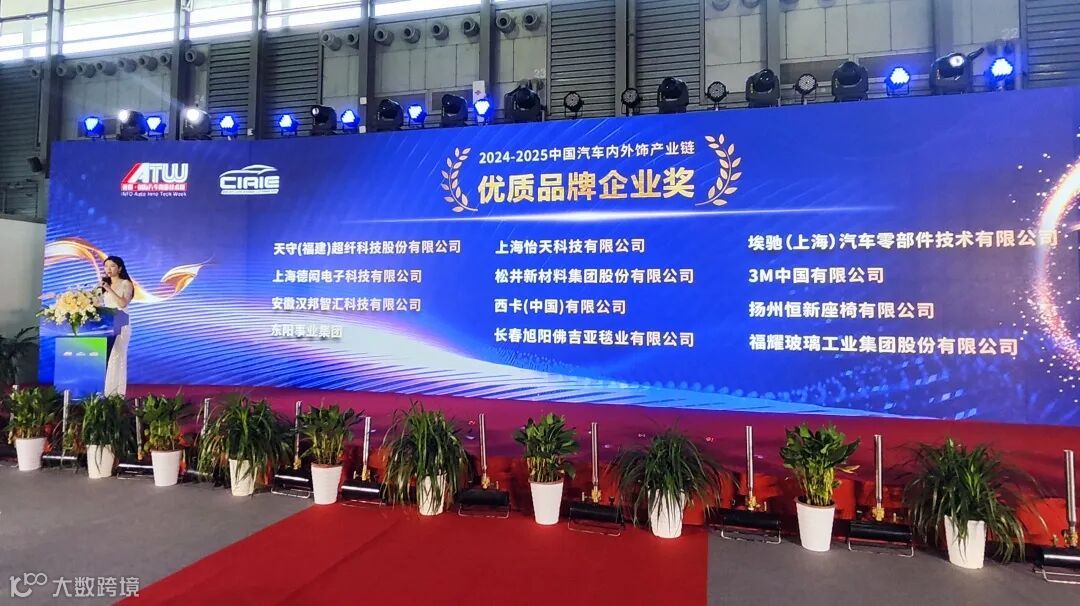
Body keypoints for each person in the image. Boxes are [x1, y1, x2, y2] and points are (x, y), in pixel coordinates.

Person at [100, 255, 134, 397]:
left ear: (119, 268)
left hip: (121, 324)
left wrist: (109, 289)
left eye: (112, 266)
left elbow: (122, 304)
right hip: (105, 325)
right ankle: (103, 391)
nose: (109, 269)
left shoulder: (126, 283)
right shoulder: (103, 284)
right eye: (106, 266)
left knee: (116, 356)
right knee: (105, 358)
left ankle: (115, 393)